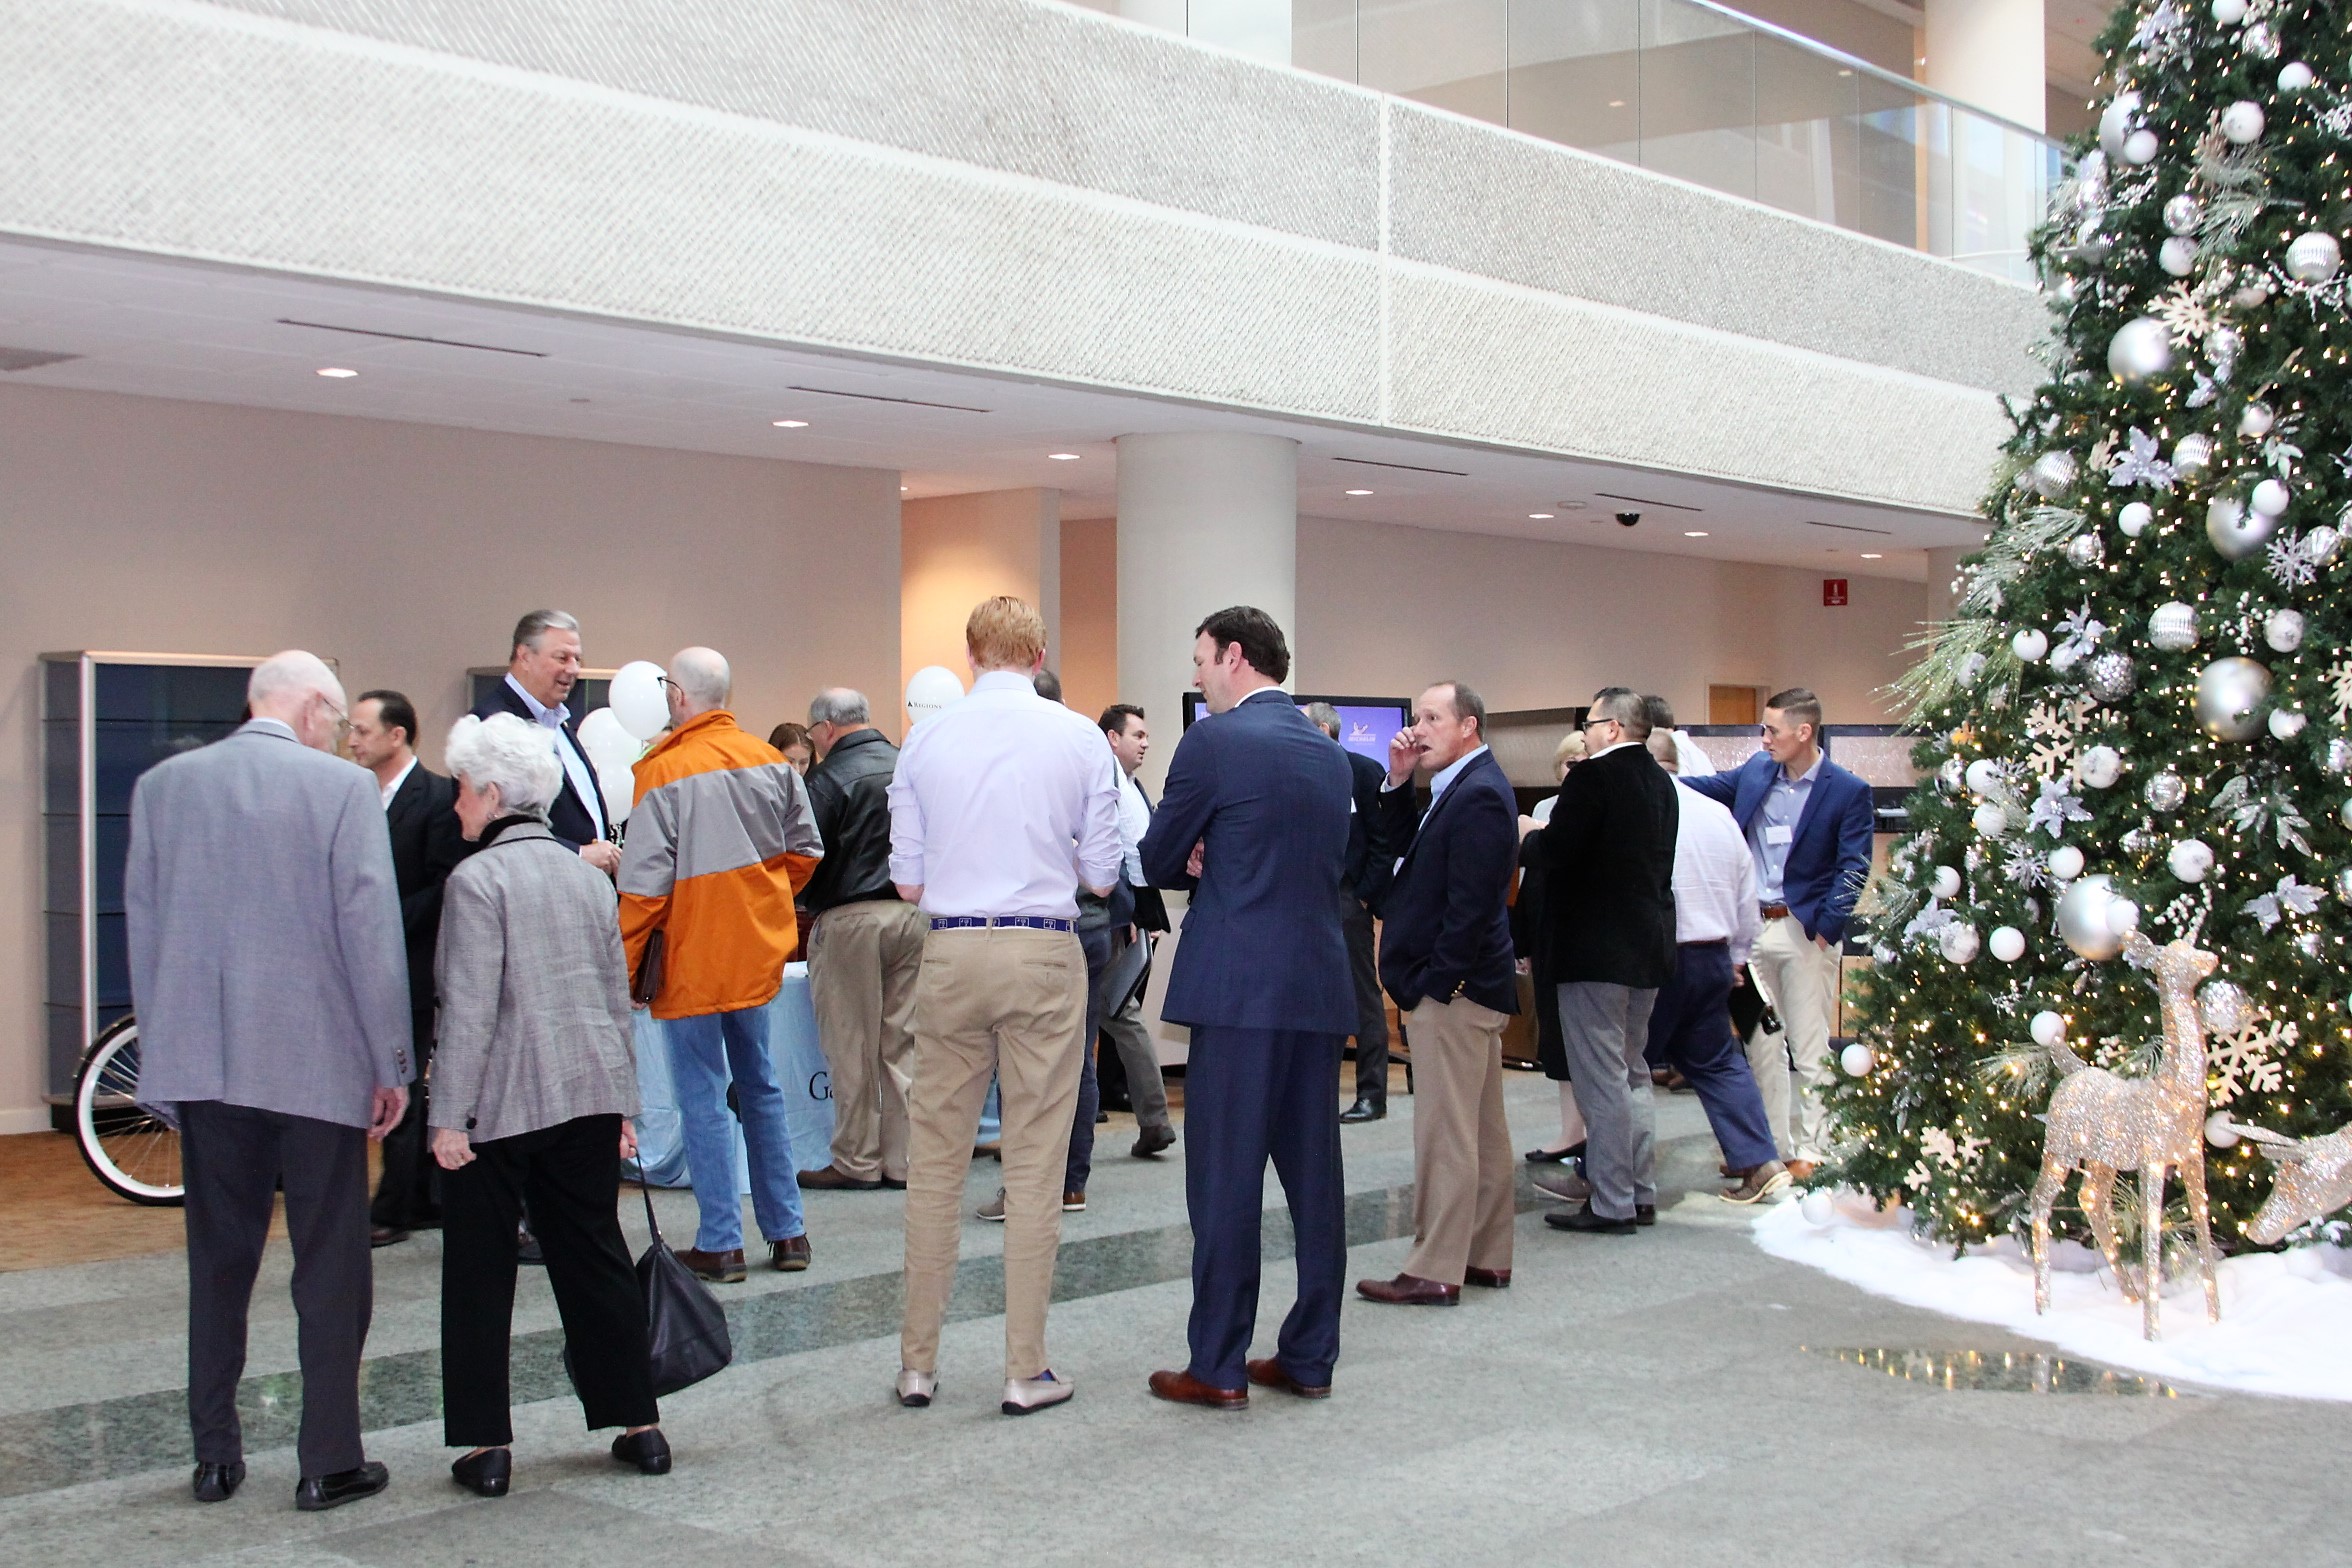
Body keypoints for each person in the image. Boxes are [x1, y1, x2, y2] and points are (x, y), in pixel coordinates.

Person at [126, 651, 410, 1511]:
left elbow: (146, 928)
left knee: (218, 1263)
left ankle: (214, 1456)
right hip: (318, 1063)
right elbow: (370, 933)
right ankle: (328, 1460)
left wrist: (166, 1056)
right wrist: (391, 1063)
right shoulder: (343, 789)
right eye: (337, 720)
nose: (338, 735)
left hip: (207, 1064)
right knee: (331, 1265)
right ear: (315, 707)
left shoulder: (164, 788)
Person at [887, 597, 1122, 1417]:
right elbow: (1102, 875)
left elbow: (906, 881)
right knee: (1034, 1165)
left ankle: (917, 1364)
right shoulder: (1081, 737)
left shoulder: (924, 740)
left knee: (935, 1162)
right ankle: (1026, 1369)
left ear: (971, 654)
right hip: (1043, 951)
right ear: (1040, 655)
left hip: (950, 950)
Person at [431, 713, 668, 1496]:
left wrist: (448, 1117)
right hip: (589, 1089)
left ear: (494, 795)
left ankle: (487, 1445)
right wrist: (625, 1104)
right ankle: (639, 1425)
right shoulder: (586, 877)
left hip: (500, 1102)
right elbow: (613, 997)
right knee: (595, 1255)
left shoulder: (476, 881)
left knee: (479, 1269)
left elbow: (469, 1010)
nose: (458, 803)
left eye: (464, 789)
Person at [1140, 606, 1353, 1410]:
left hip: (1238, 990)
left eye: (1200, 659)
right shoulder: (1329, 755)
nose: (1196, 675)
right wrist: (1219, 847)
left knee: (1225, 1179)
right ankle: (1311, 1354)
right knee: (1314, 1180)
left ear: (1234, 656)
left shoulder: (1214, 742)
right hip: (1316, 985)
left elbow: (1158, 855)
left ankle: (1219, 1363)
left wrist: (1201, 854)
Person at [618, 648, 825, 1281]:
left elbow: (644, 889)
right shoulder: (770, 761)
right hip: (754, 955)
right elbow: (806, 851)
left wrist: (626, 967)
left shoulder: (663, 771)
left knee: (702, 1096)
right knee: (761, 1086)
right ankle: (788, 1232)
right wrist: (758, 905)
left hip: (690, 959)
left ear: (678, 696)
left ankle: (721, 1242)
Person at [1535, 732, 1787, 1209]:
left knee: (1619, 1073)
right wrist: (1736, 957)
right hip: (1713, 957)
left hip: (1656, 956)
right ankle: (1760, 1160)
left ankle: (1609, 1181)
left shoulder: (1638, 810)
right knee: (1717, 1062)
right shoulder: (1716, 814)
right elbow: (1745, 891)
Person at [1356, 681, 1520, 1306]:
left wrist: (1436, 985)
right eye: (1416, 717)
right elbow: (1406, 852)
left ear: (1468, 726)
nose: (1417, 729)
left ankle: (1435, 1266)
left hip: (1456, 992)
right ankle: (1484, 1253)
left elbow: (1471, 908)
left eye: (1432, 718)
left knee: (1445, 1134)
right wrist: (1398, 782)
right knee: (1480, 1128)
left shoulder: (1479, 795)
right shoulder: (1459, 786)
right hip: (1467, 988)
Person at [1681, 687, 1875, 1181]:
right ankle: (1767, 1150)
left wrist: (1826, 928)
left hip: (1801, 931)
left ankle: (1815, 1148)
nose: (1764, 738)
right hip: (1751, 930)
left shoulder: (1846, 790)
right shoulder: (1757, 771)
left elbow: (1854, 866)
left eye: (1772, 730)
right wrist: (1655, 775)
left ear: (1804, 732)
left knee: (1808, 1045)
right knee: (1761, 1044)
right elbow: (1707, 787)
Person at [1521, 688, 1677, 1237]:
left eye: (1588, 723)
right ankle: (1639, 1191)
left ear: (1612, 727)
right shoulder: (1661, 782)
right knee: (1633, 1073)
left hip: (1592, 951)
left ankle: (1611, 1201)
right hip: (1646, 946)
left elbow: (1559, 852)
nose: (1584, 733)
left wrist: (1530, 836)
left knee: (1601, 1080)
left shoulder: (1591, 778)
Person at [349, 689, 469, 1248]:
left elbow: (447, 883)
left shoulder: (437, 796)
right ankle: (415, 1197)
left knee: (404, 1076)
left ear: (396, 736)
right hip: (362, 962)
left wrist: (384, 920)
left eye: (362, 730)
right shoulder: (354, 795)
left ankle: (395, 1205)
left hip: (415, 962)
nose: (352, 741)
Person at [797, 688, 926, 1192]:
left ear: (826, 728)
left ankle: (856, 1159)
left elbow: (804, 855)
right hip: (912, 915)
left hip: (850, 919)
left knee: (851, 1044)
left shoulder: (825, 779)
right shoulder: (908, 764)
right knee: (904, 1043)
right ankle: (904, 1159)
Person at [472, 610, 618, 874]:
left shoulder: (558, 721)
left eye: (577, 659)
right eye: (562, 658)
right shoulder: (492, 723)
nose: (573, 669)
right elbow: (488, 823)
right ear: (525, 656)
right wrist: (578, 854)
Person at [1305, 703, 1394, 1125]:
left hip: (1347, 896)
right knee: (1314, 995)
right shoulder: (1301, 772)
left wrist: (1364, 897)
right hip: (1306, 898)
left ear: (1324, 729)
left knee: (1362, 995)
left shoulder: (1363, 770)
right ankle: (1315, 1094)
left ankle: (1372, 1094)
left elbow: (1383, 841)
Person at [1093, 703, 1175, 1157]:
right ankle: (1150, 1117)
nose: (1145, 743)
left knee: (1116, 1012)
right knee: (1119, 1012)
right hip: (1115, 911)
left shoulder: (1130, 784)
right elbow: (1114, 852)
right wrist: (1128, 914)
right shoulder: (1106, 779)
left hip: (1124, 910)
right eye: (1137, 735)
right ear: (1112, 738)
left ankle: (1150, 1117)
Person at [1517, 731, 1588, 1160]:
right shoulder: (1544, 808)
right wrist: (1522, 941)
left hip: (1581, 941)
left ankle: (1595, 1140)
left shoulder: (1596, 811)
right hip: (1545, 935)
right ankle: (1571, 1131)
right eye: (1569, 764)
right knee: (1556, 1040)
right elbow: (1530, 880)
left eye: (1583, 763)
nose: (1574, 771)